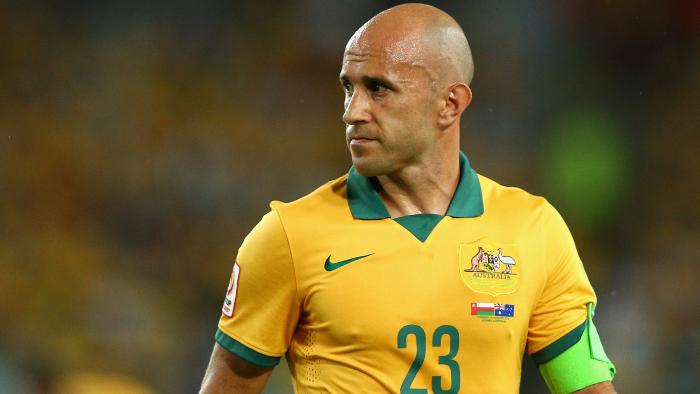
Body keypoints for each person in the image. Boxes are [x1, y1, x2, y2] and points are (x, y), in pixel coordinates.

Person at [200, 3, 616, 393]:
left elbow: (585, 385)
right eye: (349, 87)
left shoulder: (533, 230)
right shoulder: (288, 238)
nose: (352, 111)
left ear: (450, 104)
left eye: (378, 88)